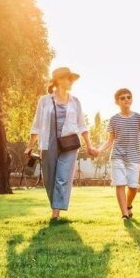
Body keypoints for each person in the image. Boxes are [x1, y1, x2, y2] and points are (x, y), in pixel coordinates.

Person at [24, 67, 96, 221]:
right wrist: (30, 146)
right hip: (48, 143)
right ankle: (55, 205)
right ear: (58, 80)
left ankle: (55, 213)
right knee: (49, 178)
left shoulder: (75, 101)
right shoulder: (44, 101)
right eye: (67, 78)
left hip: (69, 144)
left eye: (71, 79)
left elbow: (82, 125)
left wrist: (89, 144)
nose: (70, 82)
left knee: (63, 177)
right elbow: (36, 125)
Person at [95, 88, 140, 220]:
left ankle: (128, 205)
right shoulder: (114, 119)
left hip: (134, 157)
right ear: (117, 102)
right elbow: (110, 141)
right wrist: (98, 150)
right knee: (120, 184)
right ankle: (124, 214)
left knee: (133, 187)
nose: (126, 99)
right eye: (123, 98)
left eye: (129, 97)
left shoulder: (139, 118)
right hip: (117, 156)